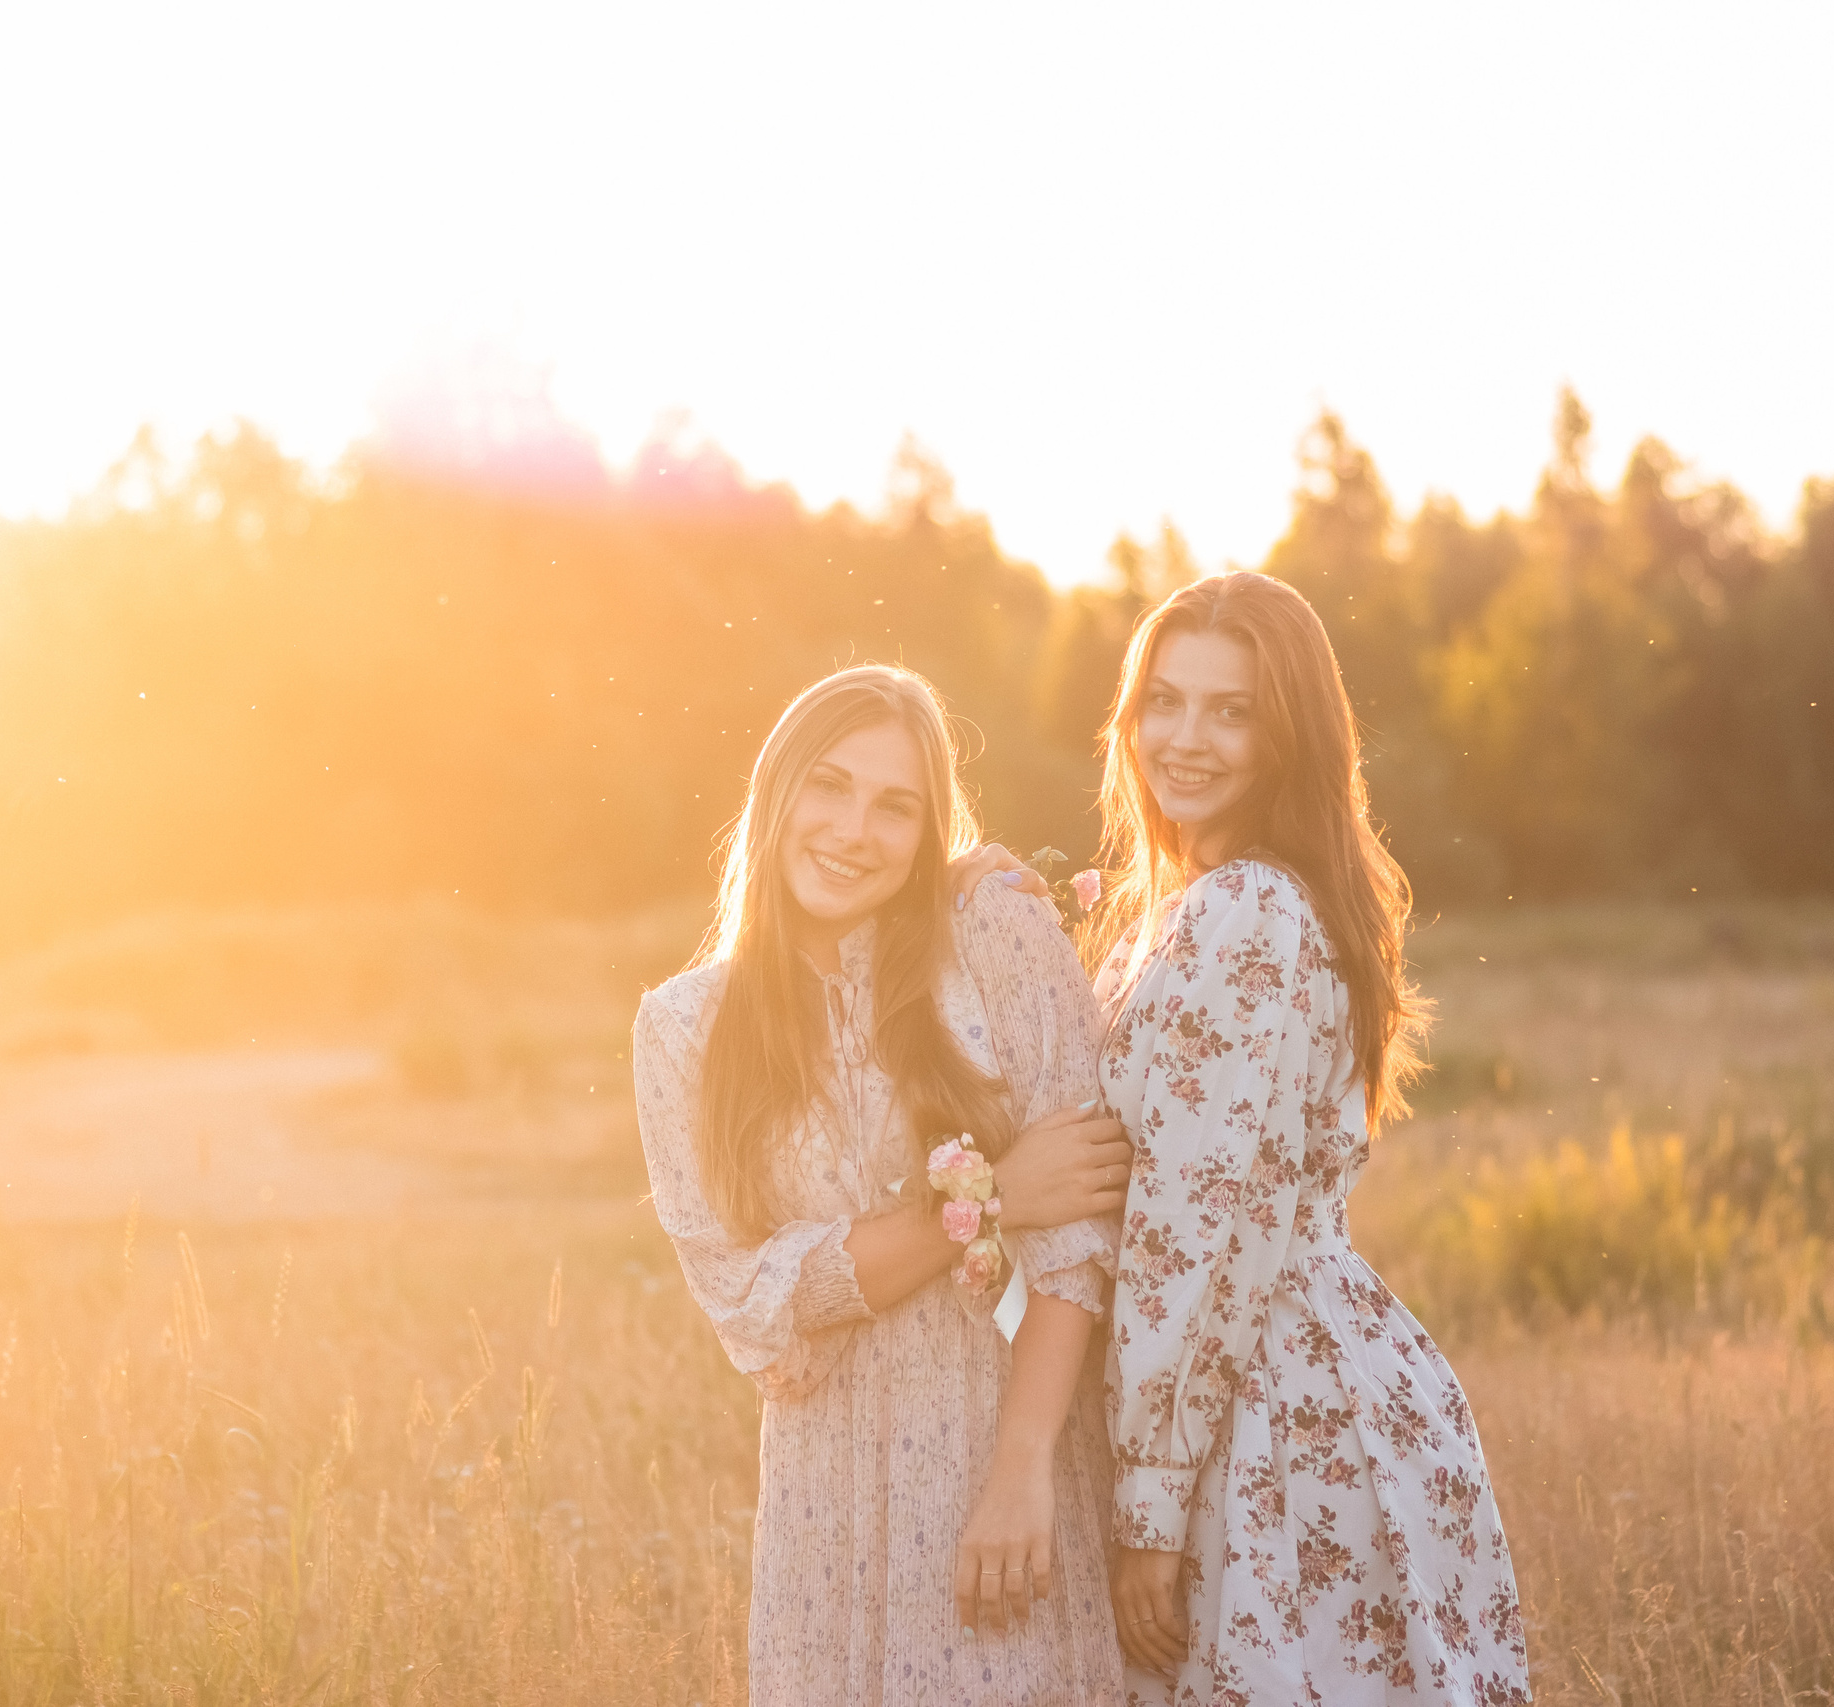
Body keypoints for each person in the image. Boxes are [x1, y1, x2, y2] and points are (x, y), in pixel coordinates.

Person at [631, 664, 1130, 1705]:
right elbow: (761, 1300)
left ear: (927, 832)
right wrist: (988, 1199)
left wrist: (1023, 1466)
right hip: (824, 1517)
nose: (854, 830)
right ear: (775, 795)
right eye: (829, 786)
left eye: (894, 806)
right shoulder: (682, 1029)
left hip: (1006, 1472)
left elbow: (1079, 1228)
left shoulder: (995, 939)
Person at [1087, 573, 1530, 1703]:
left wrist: (1150, 1501)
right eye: (1164, 702)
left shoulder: (1245, 911)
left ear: (1292, 733)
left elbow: (1197, 1227)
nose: (1183, 740)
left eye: (1231, 711)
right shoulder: (1206, 903)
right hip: (1293, 1376)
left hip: (1258, 1404)